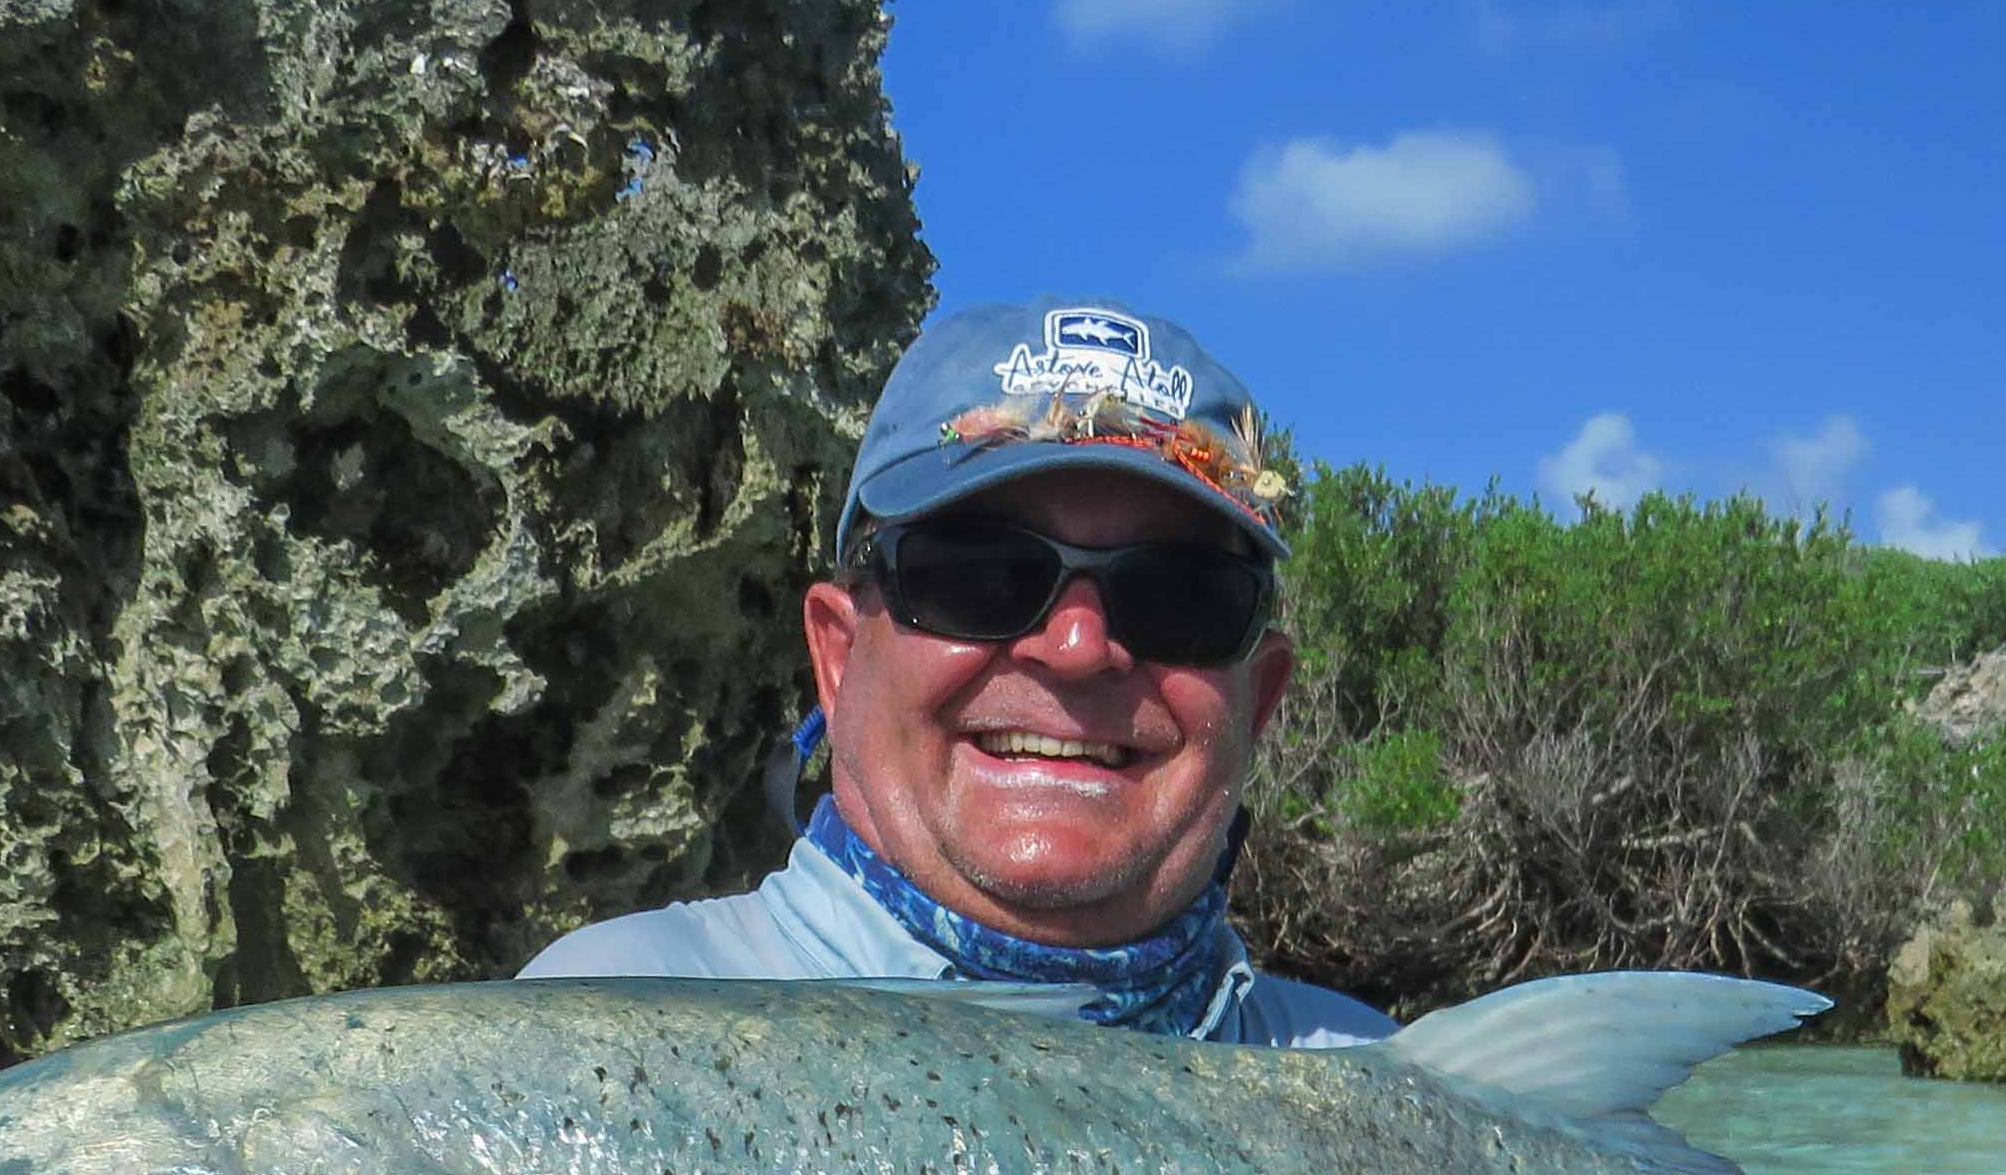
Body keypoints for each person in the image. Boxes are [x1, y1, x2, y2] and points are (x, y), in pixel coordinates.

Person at [523, 299, 1391, 1045]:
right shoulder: (581, 1038)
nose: (1079, 645)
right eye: (980, 576)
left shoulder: (1417, 1105)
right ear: (836, 653)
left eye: (1177, 595)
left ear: (1261, 703)